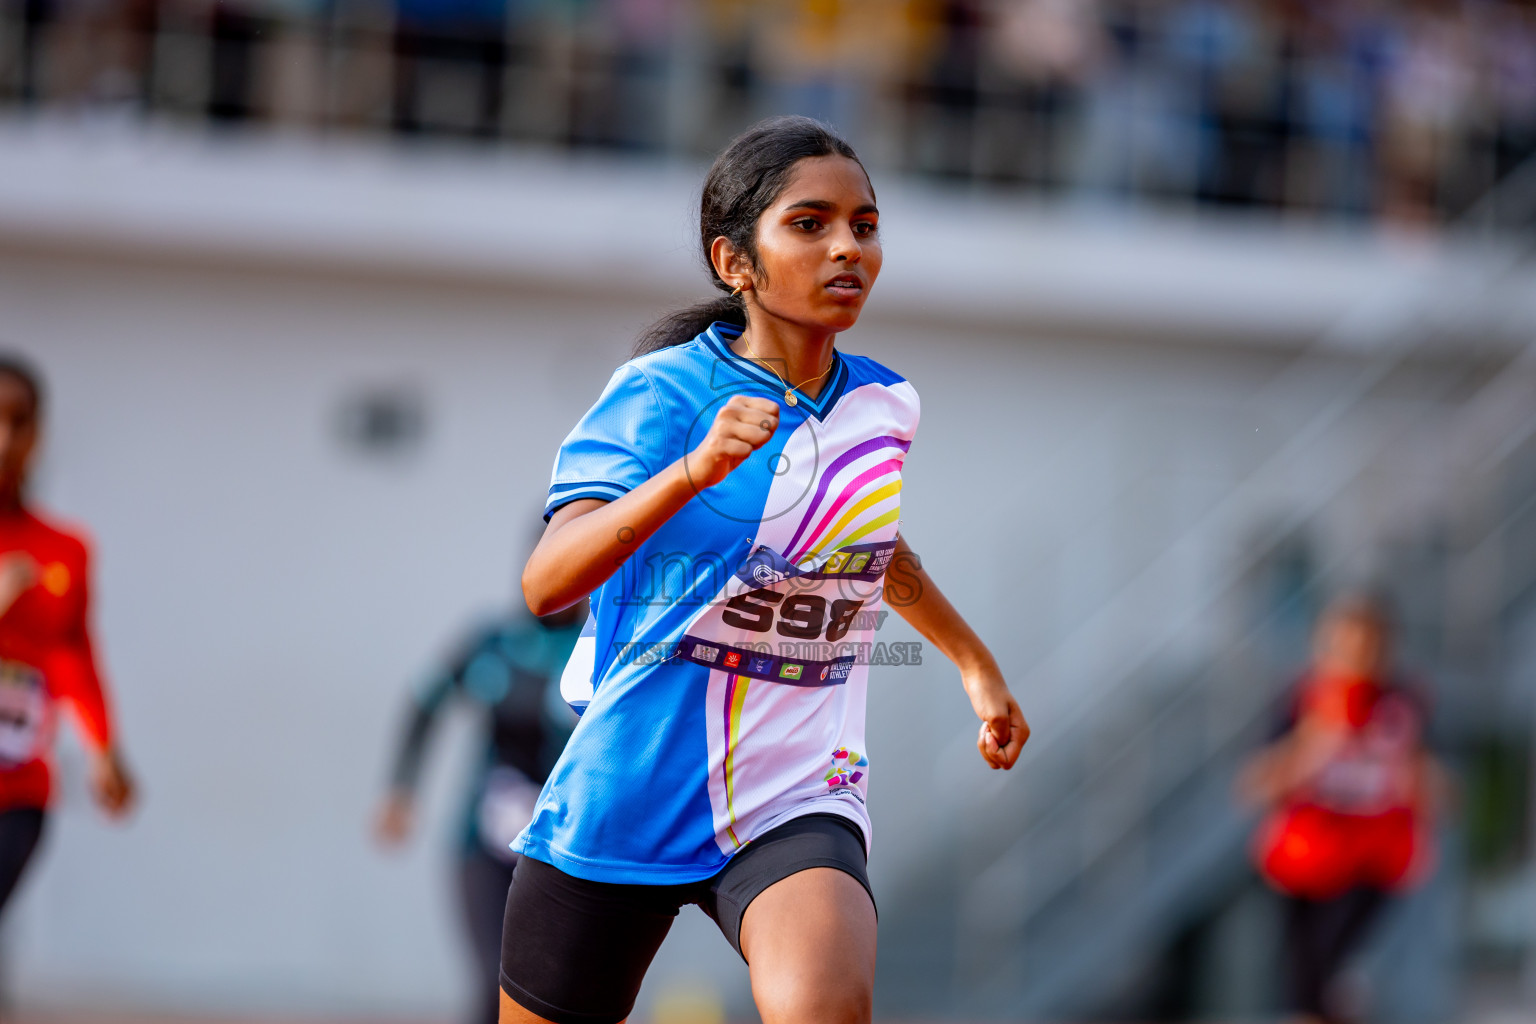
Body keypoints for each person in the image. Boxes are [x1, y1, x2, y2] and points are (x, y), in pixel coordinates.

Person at [498, 116, 1029, 1024]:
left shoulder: (882, 404)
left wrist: (974, 664)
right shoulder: (659, 394)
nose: (846, 249)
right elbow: (548, 583)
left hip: (797, 789)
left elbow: (870, 548)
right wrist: (692, 471)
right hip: (627, 787)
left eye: (864, 226)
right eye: (810, 223)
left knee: (826, 1004)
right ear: (735, 261)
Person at [375, 599, 585, 1024]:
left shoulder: (598, 650)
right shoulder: (496, 644)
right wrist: (401, 789)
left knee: (555, 990)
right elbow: (424, 699)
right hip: (485, 844)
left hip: (563, 852)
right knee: (496, 980)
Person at [1240, 593, 1444, 1024]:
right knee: (1305, 985)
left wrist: (1408, 770)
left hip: (1370, 862)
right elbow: (1254, 786)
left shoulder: (1403, 706)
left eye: (1368, 648)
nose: (1357, 660)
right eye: (1346, 647)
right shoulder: (1301, 701)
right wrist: (1308, 747)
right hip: (1305, 859)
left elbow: (1437, 791)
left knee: (1332, 971)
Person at [0, 355, 135, 919]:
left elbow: (72, 654)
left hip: (19, 790)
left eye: (19, 420)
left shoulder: (63, 550)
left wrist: (103, 749)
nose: (3, 438)